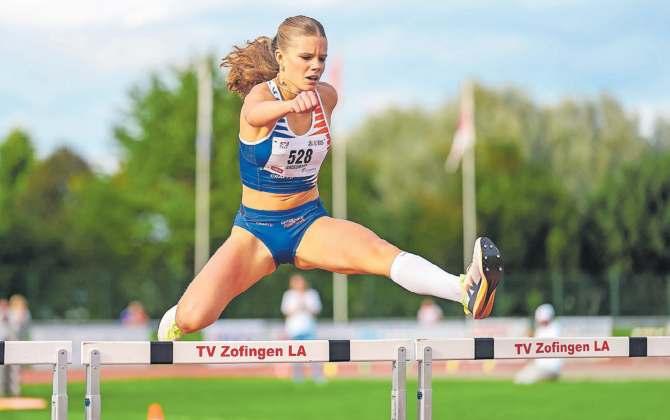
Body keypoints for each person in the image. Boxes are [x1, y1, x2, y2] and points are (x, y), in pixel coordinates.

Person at [158, 15, 504, 341]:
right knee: (193, 317)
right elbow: (254, 113)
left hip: (308, 222)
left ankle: (465, 290)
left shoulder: (326, 97)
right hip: (255, 232)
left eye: (322, 58)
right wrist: (288, 106)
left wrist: (302, 104)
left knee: (381, 254)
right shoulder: (261, 97)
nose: (316, 66)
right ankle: (177, 315)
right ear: (280, 57)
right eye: (306, 57)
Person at [280, 273, 323, 381]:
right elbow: (285, 311)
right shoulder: (289, 295)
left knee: (313, 353)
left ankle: (317, 376)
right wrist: (297, 306)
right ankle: (298, 377)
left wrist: (305, 305)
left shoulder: (312, 294)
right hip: (294, 330)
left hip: (309, 328)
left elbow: (316, 310)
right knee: (296, 355)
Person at [514, 303, 562, 384]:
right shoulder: (554, 328)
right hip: (549, 368)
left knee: (521, 379)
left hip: (546, 368)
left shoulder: (549, 330)